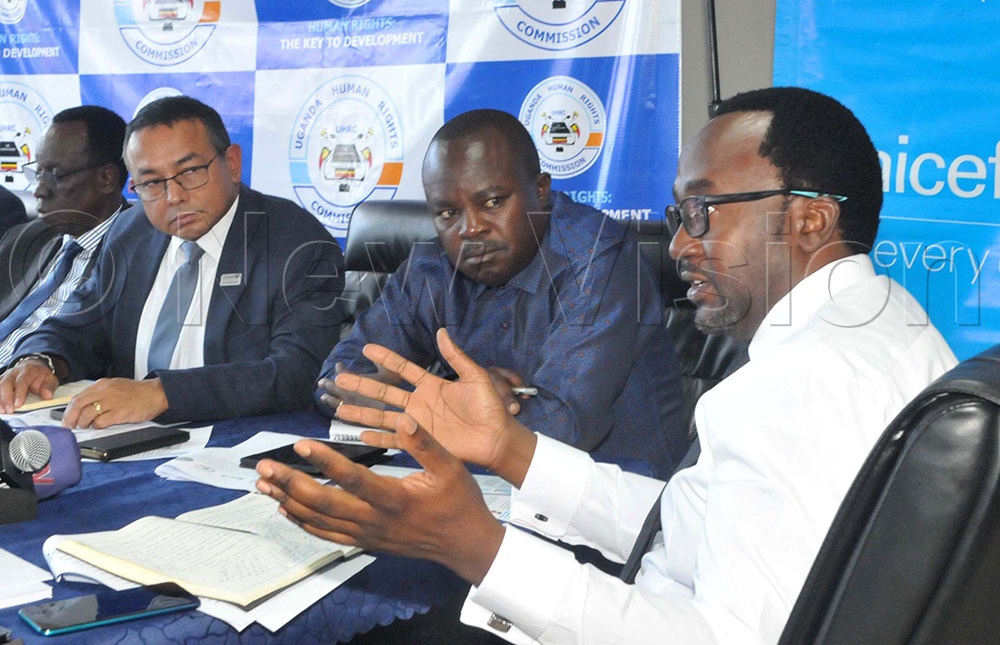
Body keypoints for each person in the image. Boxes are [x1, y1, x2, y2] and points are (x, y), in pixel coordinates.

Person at [255, 87, 958, 644]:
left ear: (809, 221)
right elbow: (686, 522)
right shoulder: (883, 324)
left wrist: (478, 547)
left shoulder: (798, 385)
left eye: (703, 210)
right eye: (679, 213)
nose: (680, 244)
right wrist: (512, 446)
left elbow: (717, 637)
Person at [320, 108, 687, 478]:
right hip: (478, 483)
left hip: (616, 492)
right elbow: (335, 379)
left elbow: (559, 427)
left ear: (541, 191)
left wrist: (415, 404)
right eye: (448, 213)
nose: (471, 229)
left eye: (493, 202)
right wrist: (455, 397)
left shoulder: (598, 260)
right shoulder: (431, 267)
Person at [0, 96, 345, 427]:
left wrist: (161, 394)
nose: (174, 196)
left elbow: (299, 372)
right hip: (119, 439)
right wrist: (41, 360)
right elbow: (75, 326)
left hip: (232, 447)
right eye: (151, 183)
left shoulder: (297, 243)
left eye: (191, 171)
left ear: (233, 163)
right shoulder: (130, 232)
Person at [0, 106, 130, 361]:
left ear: (106, 178)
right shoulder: (22, 238)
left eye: (55, 175)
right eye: (38, 173)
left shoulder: (138, 255)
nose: (39, 190)